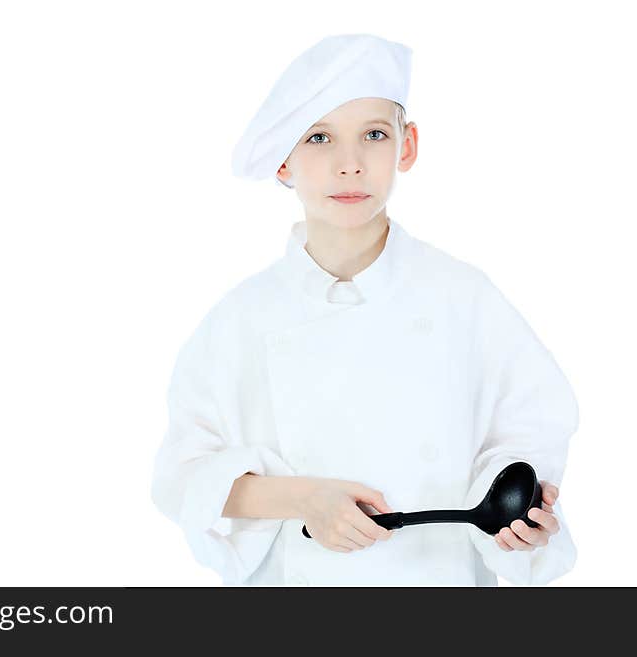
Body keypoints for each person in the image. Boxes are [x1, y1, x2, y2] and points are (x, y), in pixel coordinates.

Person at [150, 33, 579, 586]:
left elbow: (530, 436)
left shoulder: (465, 298)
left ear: (407, 146)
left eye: (374, 135)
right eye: (319, 138)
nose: (349, 165)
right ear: (283, 160)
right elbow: (182, 478)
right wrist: (304, 499)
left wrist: (522, 522)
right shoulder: (240, 320)